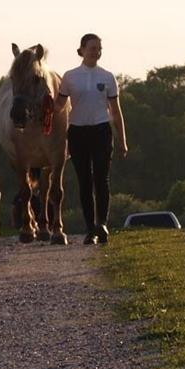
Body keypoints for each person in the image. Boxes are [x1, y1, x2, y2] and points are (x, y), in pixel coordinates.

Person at [56, 33, 128, 245]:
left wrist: (122, 139)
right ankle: (90, 229)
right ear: (82, 50)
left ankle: (102, 224)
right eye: (92, 48)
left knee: (101, 178)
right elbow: (59, 105)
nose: (96, 51)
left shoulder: (107, 77)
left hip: (101, 131)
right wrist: (44, 110)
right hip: (77, 132)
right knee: (84, 182)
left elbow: (116, 111)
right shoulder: (69, 77)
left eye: (99, 48)